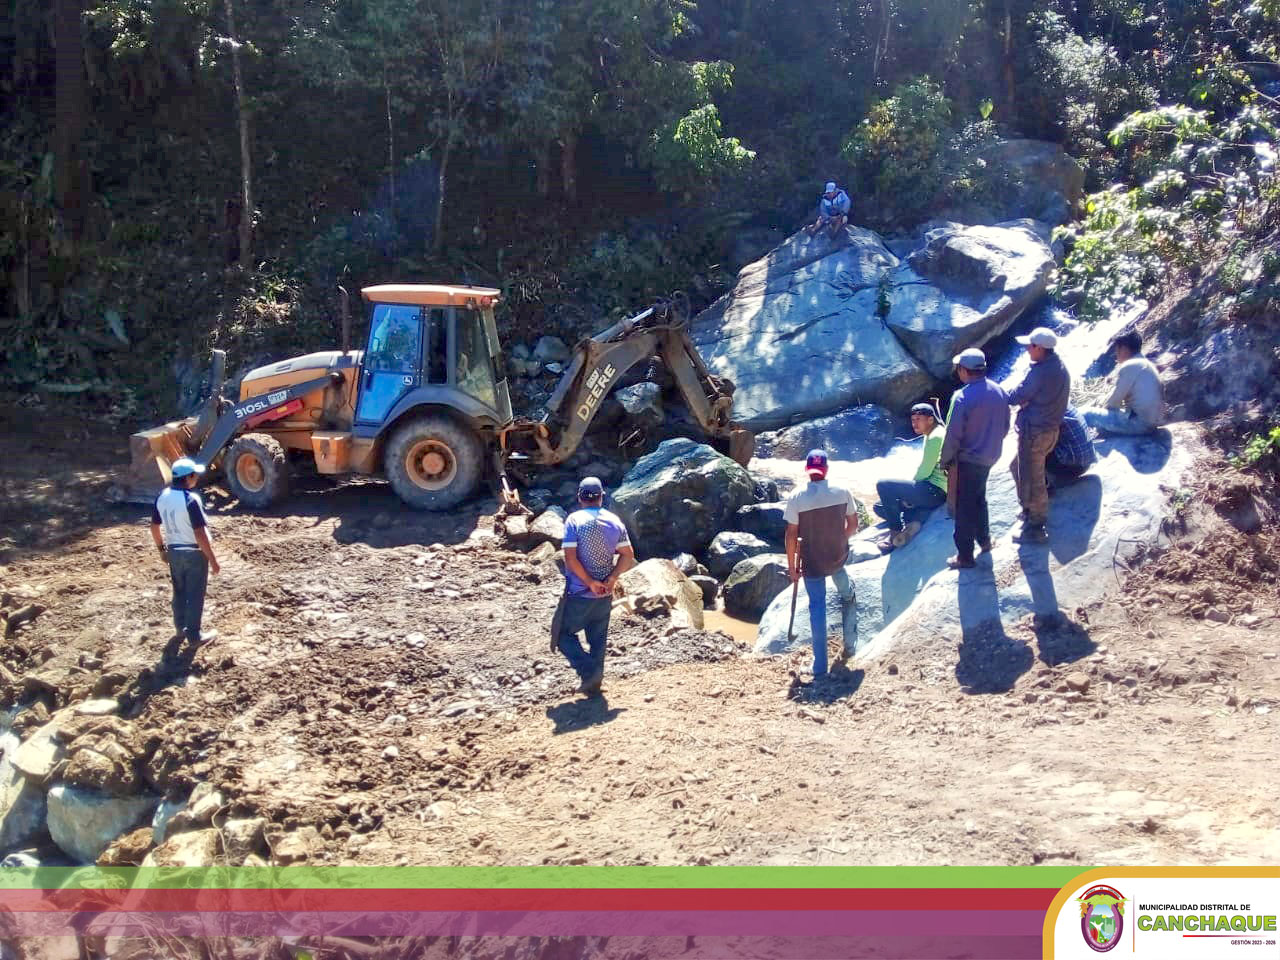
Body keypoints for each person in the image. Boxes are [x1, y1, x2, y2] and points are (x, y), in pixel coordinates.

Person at [555, 477, 636, 695]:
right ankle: (594, 684)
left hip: (581, 592)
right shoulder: (615, 521)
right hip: (605, 593)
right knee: (598, 639)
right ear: (601, 497)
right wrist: (612, 579)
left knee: (562, 635)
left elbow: (570, 558)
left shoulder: (574, 520)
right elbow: (628, 555)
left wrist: (590, 582)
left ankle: (590, 672)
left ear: (580, 497)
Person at [784, 450, 859, 678]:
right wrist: (840, 539)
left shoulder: (797, 497)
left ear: (808, 471)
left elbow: (790, 536)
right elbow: (853, 525)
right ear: (826, 469)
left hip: (812, 561)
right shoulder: (842, 491)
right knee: (847, 592)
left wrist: (792, 568)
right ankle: (851, 643)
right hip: (837, 556)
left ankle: (819, 668)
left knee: (818, 607)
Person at [939, 349, 1010, 570]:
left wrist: (945, 460)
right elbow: (1005, 426)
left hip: (968, 460)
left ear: (963, 370)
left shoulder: (962, 397)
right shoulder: (999, 391)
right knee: (979, 498)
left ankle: (965, 556)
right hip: (990, 457)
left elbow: (953, 434)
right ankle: (985, 541)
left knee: (963, 507)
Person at [1006, 327, 1071, 545]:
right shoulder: (1059, 367)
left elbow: (1016, 396)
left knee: (1033, 480)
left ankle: (1036, 526)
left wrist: (1018, 399)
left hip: (1034, 434)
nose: (1026, 349)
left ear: (1040, 348)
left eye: (1029, 346)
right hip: (1050, 432)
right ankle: (1029, 507)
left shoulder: (1040, 373)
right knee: (1017, 468)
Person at [150, 457, 221, 646]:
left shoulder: (162, 496)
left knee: (179, 591)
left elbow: (154, 527)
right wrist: (212, 560)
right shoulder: (191, 499)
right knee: (195, 594)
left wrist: (161, 549)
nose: (196, 477)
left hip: (174, 552)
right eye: (194, 475)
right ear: (188, 477)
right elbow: (199, 533)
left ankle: (180, 628)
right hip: (193, 553)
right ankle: (195, 636)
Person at [871, 402, 947, 550]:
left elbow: (925, 470)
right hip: (934, 492)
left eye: (919, 419)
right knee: (879, 506)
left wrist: (907, 496)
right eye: (913, 420)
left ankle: (895, 532)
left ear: (930, 420)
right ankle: (915, 522)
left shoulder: (935, 437)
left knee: (884, 485)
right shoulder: (935, 432)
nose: (914, 424)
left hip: (934, 491)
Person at [1082, 330, 1165, 435]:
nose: (1116, 354)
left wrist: (1104, 414)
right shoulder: (1147, 365)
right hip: (1152, 423)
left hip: (1139, 425)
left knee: (1085, 414)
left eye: (1117, 350)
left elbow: (1114, 402)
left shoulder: (1130, 365)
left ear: (1124, 349)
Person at [1046, 406, 1096, 491]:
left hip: (1072, 468)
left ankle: (1044, 487)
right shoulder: (1061, 401)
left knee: (1034, 449)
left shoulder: (1047, 410)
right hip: (1086, 463)